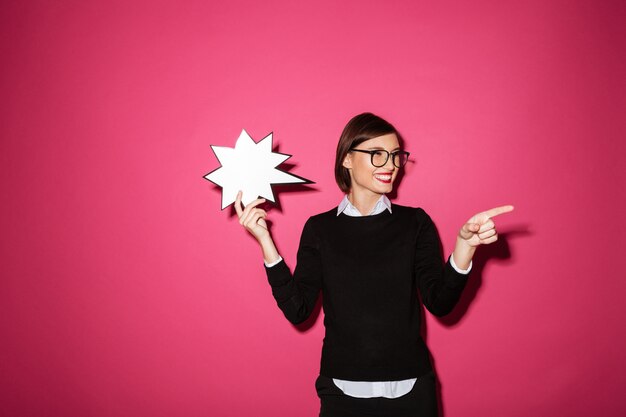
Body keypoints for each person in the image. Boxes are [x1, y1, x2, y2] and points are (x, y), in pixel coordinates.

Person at [234, 112, 513, 417]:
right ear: (347, 159)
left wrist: (465, 246)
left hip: (412, 393)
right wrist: (265, 240)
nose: (391, 165)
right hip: (341, 393)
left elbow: (441, 302)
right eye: (377, 155)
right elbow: (297, 310)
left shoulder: (415, 223)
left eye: (395, 156)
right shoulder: (319, 229)